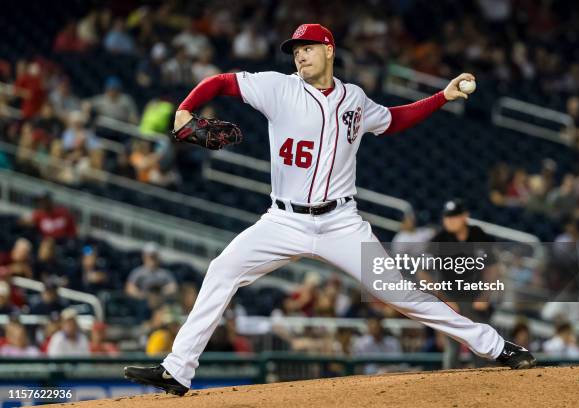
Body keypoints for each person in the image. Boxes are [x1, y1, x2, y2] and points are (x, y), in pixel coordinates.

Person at [125, 23, 535, 396]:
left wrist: (442, 96)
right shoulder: (278, 88)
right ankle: (177, 370)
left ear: (329, 50)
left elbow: (392, 119)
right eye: (295, 50)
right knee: (222, 270)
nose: (299, 55)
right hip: (283, 220)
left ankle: (495, 345)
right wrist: (184, 110)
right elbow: (221, 82)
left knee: (399, 292)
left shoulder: (353, 98)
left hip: (342, 222)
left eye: (307, 48)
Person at [429, 199, 499, 369]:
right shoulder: (439, 239)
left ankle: (486, 386)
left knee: (481, 344)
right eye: (447, 217)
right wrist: (444, 300)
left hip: (475, 297)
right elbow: (423, 273)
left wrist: (485, 296)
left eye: (454, 216)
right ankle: (450, 388)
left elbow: (492, 267)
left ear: (465, 216)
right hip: (451, 297)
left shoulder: (478, 234)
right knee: (453, 347)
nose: (450, 221)